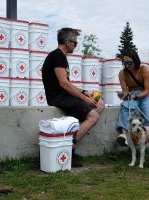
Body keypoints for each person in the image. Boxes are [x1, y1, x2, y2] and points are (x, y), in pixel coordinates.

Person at [42, 28, 105, 167]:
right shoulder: (58, 56)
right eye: (75, 43)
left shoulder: (61, 56)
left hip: (64, 95)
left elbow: (66, 83)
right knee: (93, 116)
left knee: (99, 103)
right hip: (58, 98)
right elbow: (64, 84)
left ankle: (75, 129)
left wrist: (84, 92)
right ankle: (69, 148)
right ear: (67, 42)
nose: (76, 46)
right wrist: (84, 99)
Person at [116, 49, 149, 146]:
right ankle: (123, 135)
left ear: (135, 60)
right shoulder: (122, 73)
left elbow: (147, 90)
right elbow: (125, 91)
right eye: (125, 63)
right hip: (132, 93)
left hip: (145, 95)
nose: (127, 65)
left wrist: (136, 96)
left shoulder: (144, 70)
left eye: (130, 63)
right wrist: (124, 95)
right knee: (126, 106)